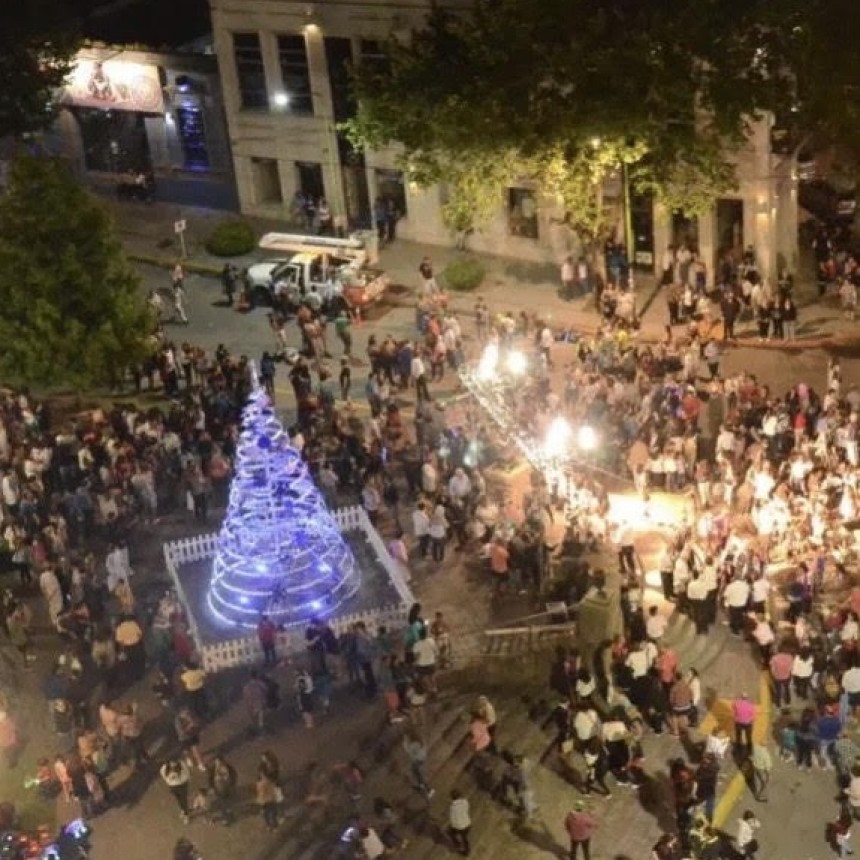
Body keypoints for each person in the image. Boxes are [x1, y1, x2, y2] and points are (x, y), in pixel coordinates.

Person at [161, 758, 192, 823]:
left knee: (184, 800)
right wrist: (169, 779)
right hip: (173, 786)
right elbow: (164, 776)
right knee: (178, 799)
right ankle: (183, 810)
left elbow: (187, 773)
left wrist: (180, 777)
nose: (173, 763)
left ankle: (186, 815)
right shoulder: (165, 767)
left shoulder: (181, 764)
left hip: (182, 785)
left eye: (174, 761)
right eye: (172, 762)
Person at [448, 789, 471, 855]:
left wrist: (453, 826)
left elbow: (453, 818)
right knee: (464, 838)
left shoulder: (453, 807)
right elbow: (467, 808)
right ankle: (466, 849)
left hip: (460, 826)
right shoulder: (465, 801)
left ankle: (460, 846)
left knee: (451, 833)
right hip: (467, 823)